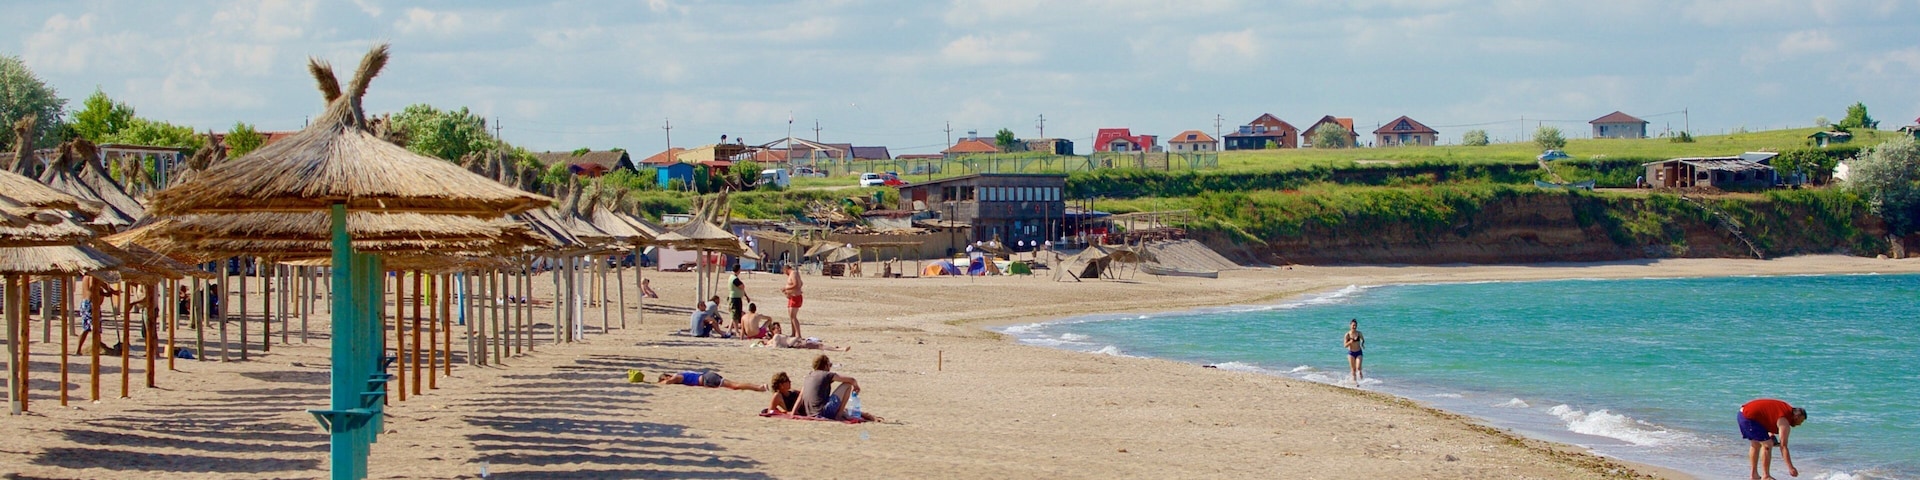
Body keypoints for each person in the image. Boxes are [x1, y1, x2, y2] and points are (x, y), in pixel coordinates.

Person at [796, 354, 880, 421]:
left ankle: (866, 415)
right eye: (830, 365)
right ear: (825, 366)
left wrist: (794, 412)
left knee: (843, 409)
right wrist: (856, 386)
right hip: (823, 412)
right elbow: (851, 380)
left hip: (810, 412)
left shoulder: (809, 376)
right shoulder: (826, 375)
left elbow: (800, 396)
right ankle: (839, 415)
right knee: (847, 385)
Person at [1739, 398, 1807, 479]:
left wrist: (1771, 434)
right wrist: (1790, 467)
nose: (1799, 424)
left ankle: (1754, 475)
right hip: (1748, 416)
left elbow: (1767, 416)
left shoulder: (1785, 410)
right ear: (1796, 417)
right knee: (1767, 445)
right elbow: (1783, 446)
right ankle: (1766, 476)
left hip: (1743, 413)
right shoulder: (1784, 420)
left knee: (1756, 444)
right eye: (1801, 421)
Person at [75, 274, 118, 354]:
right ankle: (96, 347)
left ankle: (81, 349)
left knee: (87, 328)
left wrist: (111, 291)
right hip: (91, 304)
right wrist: (104, 293)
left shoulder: (90, 277)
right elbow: (92, 288)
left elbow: (103, 284)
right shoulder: (92, 276)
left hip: (87, 304)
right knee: (95, 328)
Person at [654, 371, 765, 391]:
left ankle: (759, 387)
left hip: (708, 379)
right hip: (707, 378)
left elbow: (668, 382)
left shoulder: (677, 376)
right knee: (734, 386)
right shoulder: (679, 375)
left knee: (735, 386)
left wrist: (658, 383)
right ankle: (758, 387)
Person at [728, 265, 753, 337]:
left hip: (736, 297)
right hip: (735, 298)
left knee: (734, 315)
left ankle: (730, 329)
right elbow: (742, 286)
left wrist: (746, 296)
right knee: (735, 315)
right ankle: (736, 331)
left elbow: (741, 288)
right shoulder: (734, 279)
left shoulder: (732, 277)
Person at [782, 263, 804, 338]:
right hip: (792, 297)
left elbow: (796, 284)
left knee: (793, 317)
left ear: (786, 269)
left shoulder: (793, 274)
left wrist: (786, 288)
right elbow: (801, 283)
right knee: (791, 317)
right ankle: (793, 333)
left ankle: (798, 335)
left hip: (795, 297)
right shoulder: (794, 274)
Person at [758, 333, 850, 351]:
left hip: (797, 342)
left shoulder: (776, 337)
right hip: (797, 344)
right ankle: (839, 349)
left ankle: (836, 348)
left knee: (819, 345)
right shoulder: (776, 338)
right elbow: (776, 347)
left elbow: (776, 347)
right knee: (819, 346)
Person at [1343, 319, 1365, 385]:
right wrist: (1350, 342)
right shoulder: (1347, 335)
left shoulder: (1359, 333)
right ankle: (1355, 382)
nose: (1354, 327)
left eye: (1355, 325)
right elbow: (1345, 345)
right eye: (1353, 325)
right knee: (1353, 369)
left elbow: (1363, 339)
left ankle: (1361, 373)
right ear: (1350, 325)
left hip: (1358, 352)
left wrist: (1362, 344)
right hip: (1351, 353)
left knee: (1358, 367)